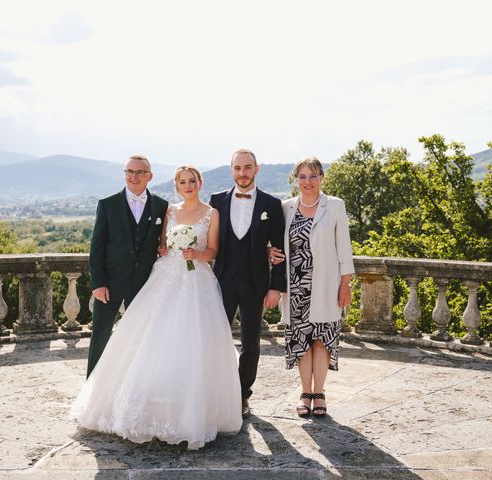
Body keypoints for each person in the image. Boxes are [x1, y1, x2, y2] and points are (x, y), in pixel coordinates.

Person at [71, 166, 242, 450]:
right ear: (177, 186)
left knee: (192, 342)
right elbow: (162, 244)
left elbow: (214, 250)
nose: (188, 186)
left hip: (197, 281)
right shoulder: (170, 211)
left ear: (200, 183)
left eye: (192, 181)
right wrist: (167, 249)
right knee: (151, 339)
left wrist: (197, 254)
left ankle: (190, 409)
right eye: (182, 182)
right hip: (165, 278)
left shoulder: (212, 214)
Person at [271, 157, 354, 417]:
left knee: (322, 339)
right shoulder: (285, 208)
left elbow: (344, 246)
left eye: (313, 176)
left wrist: (345, 283)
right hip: (295, 286)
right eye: (303, 176)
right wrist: (269, 251)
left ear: (321, 177)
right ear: (296, 179)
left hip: (327, 284)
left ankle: (320, 393)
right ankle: (305, 392)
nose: (308, 181)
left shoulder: (335, 206)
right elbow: (274, 242)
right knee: (301, 340)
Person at [210, 149, 286, 419]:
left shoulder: (271, 204)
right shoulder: (216, 201)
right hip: (222, 283)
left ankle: (243, 394)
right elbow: (209, 243)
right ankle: (217, 393)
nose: (242, 173)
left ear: (256, 169)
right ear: (231, 170)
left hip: (256, 285)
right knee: (216, 340)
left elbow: (278, 250)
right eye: (237, 168)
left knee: (251, 344)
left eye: (247, 167)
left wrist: (276, 286)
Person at [86, 155, 169, 377]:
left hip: (144, 284)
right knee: (100, 336)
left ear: (149, 176)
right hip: (110, 284)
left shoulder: (162, 206)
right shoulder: (107, 205)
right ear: (125, 174)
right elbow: (97, 248)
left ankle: (134, 384)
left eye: (140, 172)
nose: (134, 176)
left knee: (140, 338)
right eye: (130, 171)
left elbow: (163, 244)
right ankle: (92, 388)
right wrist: (99, 283)